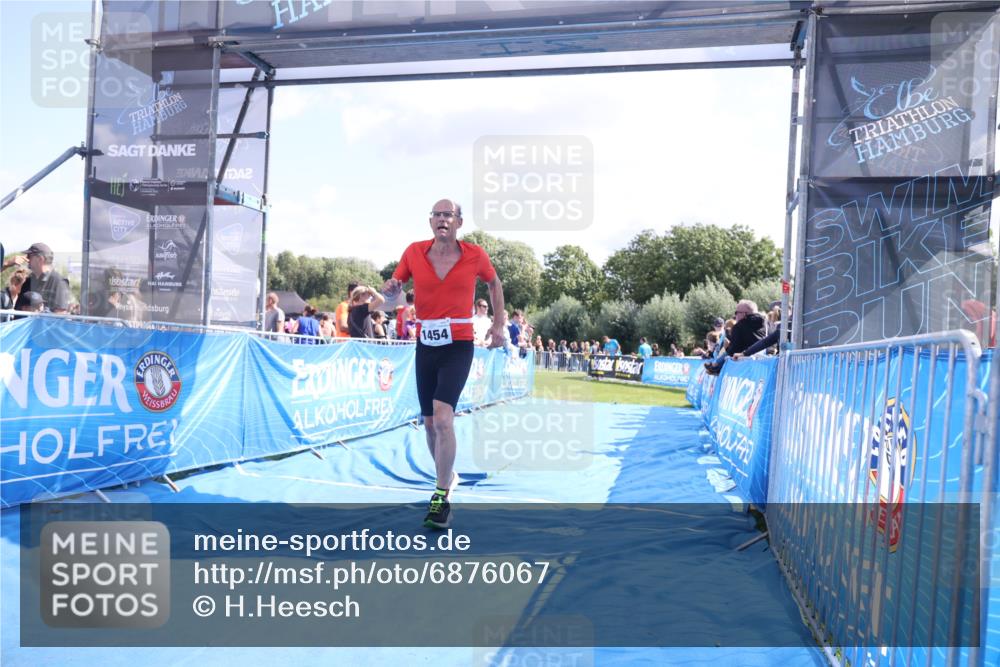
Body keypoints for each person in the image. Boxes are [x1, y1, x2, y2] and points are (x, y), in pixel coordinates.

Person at [383, 198, 505, 529]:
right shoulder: (413, 252)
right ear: (430, 221)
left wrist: (498, 323)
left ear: (459, 222)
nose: (441, 219)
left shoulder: (475, 255)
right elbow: (395, 294)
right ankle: (448, 477)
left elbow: (494, 283)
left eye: (447, 214)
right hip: (426, 344)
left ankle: (440, 497)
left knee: (443, 418)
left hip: (459, 344)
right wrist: (390, 290)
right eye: (436, 214)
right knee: (428, 423)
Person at [20, 243, 69, 313]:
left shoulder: (59, 282)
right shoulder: (28, 281)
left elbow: (60, 314)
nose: (27, 259)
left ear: (40, 259)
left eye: (29, 256)